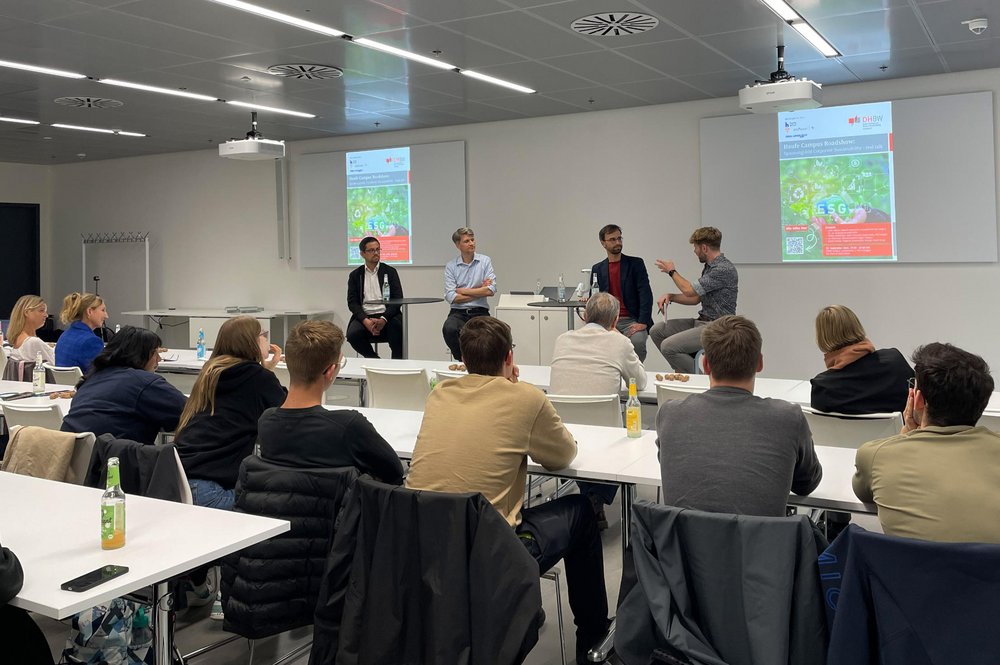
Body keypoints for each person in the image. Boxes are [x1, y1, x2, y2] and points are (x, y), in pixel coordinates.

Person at [406, 316, 610, 664]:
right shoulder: (526, 398)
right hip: (489, 551)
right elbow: (563, 455)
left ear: (463, 359)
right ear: (509, 358)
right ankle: (593, 644)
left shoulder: (440, 393)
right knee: (581, 512)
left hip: (424, 547)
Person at [657, 315, 822, 516]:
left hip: (682, 546)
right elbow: (806, 484)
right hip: (761, 545)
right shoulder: (788, 418)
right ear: (759, 363)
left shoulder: (670, 414)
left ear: (705, 365)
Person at [853, 342, 1000, 543]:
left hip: (910, 574)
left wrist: (905, 435)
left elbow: (865, 494)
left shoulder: (876, 456)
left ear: (918, 399)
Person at [257, 320, 404, 484]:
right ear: (330, 371)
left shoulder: (266, 422)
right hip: (336, 509)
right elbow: (394, 472)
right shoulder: (349, 426)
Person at [549, 292, 647, 524]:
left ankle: (589, 498)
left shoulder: (562, 339)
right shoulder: (620, 342)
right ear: (614, 322)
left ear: (584, 316)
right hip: (607, 433)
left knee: (584, 442)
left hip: (563, 430)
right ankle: (595, 497)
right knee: (627, 435)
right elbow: (640, 382)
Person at [175, 315, 286, 510]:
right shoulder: (257, 377)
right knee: (281, 506)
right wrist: (266, 373)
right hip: (212, 490)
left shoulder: (211, 372)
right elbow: (286, 409)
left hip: (177, 481)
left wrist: (264, 370)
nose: (268, 341)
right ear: (251, 342)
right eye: (264, 335)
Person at [61, 326, 186, 444]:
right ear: (140, 355)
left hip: (70, 456)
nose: (159, 359)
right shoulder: (144, 382)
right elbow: (190, 411)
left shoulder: (92, 378)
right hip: (112, 460)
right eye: (155, 353)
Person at [650, 227, 738, 373]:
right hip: (702, 322)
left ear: (704, 247)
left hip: (718, 327)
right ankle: (684, 369)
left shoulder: (723, 269)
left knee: (668, 347)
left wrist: (672, 271)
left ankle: (700, 379)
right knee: (657, 331)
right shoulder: (709, 267)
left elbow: (689, 290)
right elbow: (695, 298)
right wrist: (671, 297)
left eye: (695, 247)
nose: (694, 251)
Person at [809, 304, 913, 414]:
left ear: (822, 339)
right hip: (901, 431)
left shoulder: (823, 387)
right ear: (857, 326)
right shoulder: (895, 362)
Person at [589, 225, 653, 362]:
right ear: (603, 243)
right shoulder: (598, 269)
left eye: (619, 238)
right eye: (612, 239)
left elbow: (645, 293)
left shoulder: (636, 264)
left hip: (632, 319)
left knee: (638, 342)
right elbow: (594, 296)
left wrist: (643, 322)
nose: (617, 242)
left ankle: (634, 378)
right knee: (597, 344)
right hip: (607, 320)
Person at [442, 227, 496, 361]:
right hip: (458, 312)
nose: (471, 243)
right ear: (457, 245)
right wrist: (479, 291)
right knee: (449, 329)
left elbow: (491, 290)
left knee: (491, 334)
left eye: (472, 240)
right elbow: (452, 297)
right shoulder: (451, 266)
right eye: (467, 241)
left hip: (480, 311)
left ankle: (484, 364)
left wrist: (463, 290)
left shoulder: (485, 261)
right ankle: (463, 360)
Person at [346, 236, 404, 359]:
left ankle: (397, 368)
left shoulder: (390, 271)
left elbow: (398, 299)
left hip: (387, 315)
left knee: (398, 331)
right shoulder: (355, 275)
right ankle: (375, 361)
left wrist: (384, 319)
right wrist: (365, 320)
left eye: (378, 249)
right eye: (371, 250)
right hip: (365, 316)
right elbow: (352, 303)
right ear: (362, 253)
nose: (376, 253)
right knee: (352, 335)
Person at [55, 292, 108, 372]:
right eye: (103, 310)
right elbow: (103, 373)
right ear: (89, 312)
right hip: (85, 384)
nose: (106, 316)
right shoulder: (92, 342)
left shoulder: (64, 336)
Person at [6, 295, 55, 365]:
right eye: (41, 310)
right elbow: (55, 367)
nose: (46, 315)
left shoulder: (18, 339)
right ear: (27, 313)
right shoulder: (34, 342)